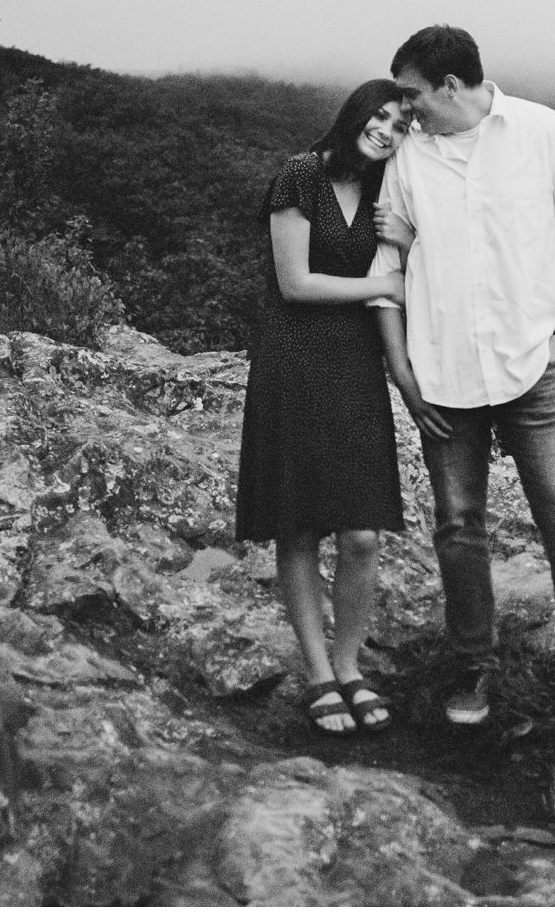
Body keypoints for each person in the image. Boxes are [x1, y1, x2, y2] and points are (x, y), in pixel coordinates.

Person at [368, 25, 555, 726]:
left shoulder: (544, 132)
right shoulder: (408, 155)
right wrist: (401, 368)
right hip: (444, 372)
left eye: (411, 93)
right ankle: (472, 669)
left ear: (452, 86)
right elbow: (392, 255)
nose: (404, 109)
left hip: (534, 367)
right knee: (459, 526)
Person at [236, 79, 414, 738]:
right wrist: (379, 283)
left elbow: (410, 265)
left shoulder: (386, 193)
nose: (387, 130)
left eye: (400, 124)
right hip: (294, 359)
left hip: (356, 364)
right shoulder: (300, 176)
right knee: (301, 522)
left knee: (362, 531)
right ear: (356, 113)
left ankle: (350, 663)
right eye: (381, 115)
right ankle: (318, 673)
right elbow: (295, 281)